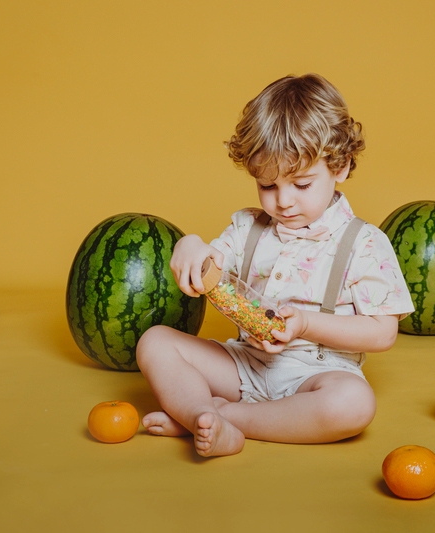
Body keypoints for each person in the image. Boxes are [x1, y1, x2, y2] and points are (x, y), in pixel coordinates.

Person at [136, 73, 414, 457]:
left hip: (316, 377)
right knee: (155, 342)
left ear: (341, 167)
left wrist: (305, 324)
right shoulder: (248, 227)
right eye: (268, 185)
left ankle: (225, 417)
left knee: (354, 404)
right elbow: (211, 262)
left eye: (301, 185)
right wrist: (190, 245)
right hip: (244, 365)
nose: (283, 202)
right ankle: (202, 416)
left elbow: (383, 333)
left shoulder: (364, 243)